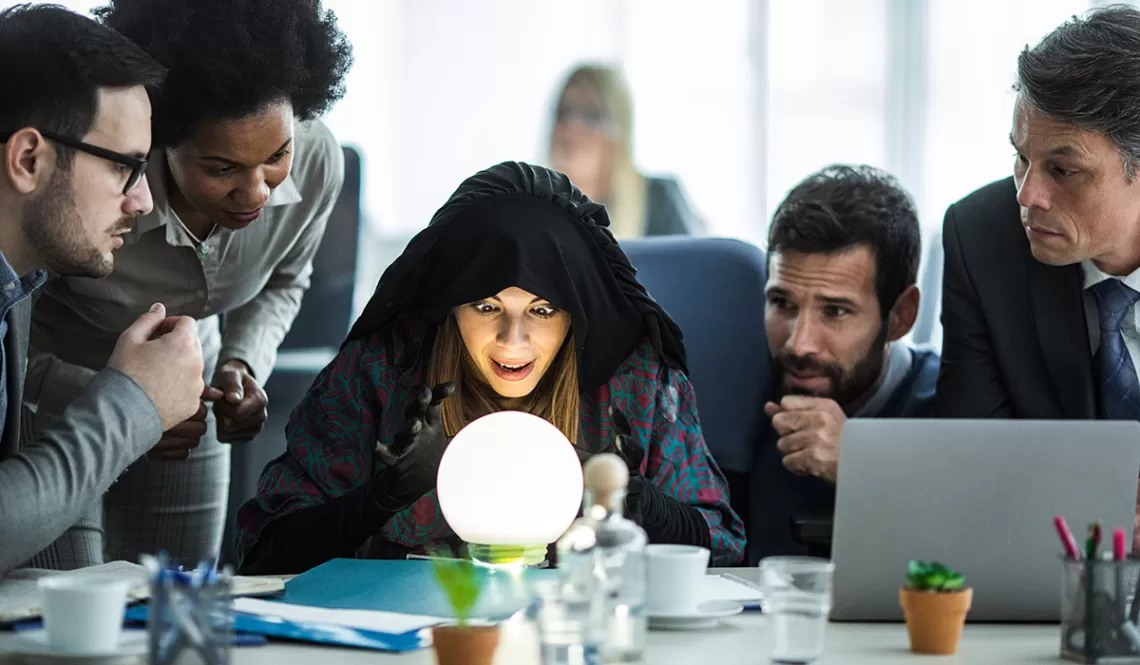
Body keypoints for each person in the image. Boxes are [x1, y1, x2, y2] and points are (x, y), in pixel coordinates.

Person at [235, 162, 746, 574]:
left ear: (575, 317)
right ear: (451, 306)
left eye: (542, 311)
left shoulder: (633, 383)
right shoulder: (382, 371)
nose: (512, 339)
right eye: (486, 307)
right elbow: (262, 551)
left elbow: (724, 544)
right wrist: (381, 497)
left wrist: (635, 504)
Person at [25, 0, 353, 567]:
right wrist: (112, 398)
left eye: (276, 157)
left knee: (177, 600)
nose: (255, 193)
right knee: (77, 606)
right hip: (52, 390)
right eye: (221, 168)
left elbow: (285, 279)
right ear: (159, 138)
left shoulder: (318, 161)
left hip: (187, 380)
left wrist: (241, 365)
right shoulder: (91, 190)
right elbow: (10, 319)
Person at [0, 4, 205, 572]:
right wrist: (131, 404)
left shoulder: (19, 284)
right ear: (29, 159)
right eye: (125, 167)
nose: (142, 202)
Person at [935, 5, 1140, 550]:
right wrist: (1106, 510)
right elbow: (971, 461)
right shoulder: (981, 238)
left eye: (1063, 170)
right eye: (1020, 157)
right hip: (1043, 570)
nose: (1027, 195)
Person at [750, 165, 939, 563]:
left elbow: (970, 566)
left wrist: (860, 466)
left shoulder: (955, 405)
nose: (799, 344)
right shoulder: (732, 396)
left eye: (835, 311)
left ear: (901, 316)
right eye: (782, 303)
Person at [548, 64, 701, 238]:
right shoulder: (534, 206)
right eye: (563, 113)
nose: (571, 127)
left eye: (590, 116)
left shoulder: (657, 199)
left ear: (619, 131)